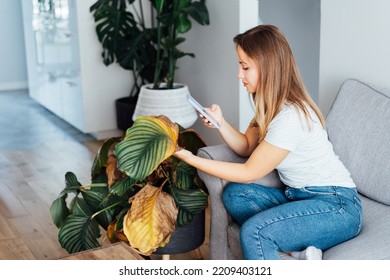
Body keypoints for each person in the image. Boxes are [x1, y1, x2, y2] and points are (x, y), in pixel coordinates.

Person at [173, 24, 362, 260]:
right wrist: (221, 123)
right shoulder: (269, 105)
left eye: (245, 67)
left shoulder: (290, 117)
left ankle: (285, 244)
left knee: (255, 232)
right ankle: (296, 249)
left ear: (268, 68)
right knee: (235, 195)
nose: (239, 74)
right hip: (300, 197)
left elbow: (248, 171)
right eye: (239, 65)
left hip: (337, 207)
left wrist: (191, 158)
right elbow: (246, 147)